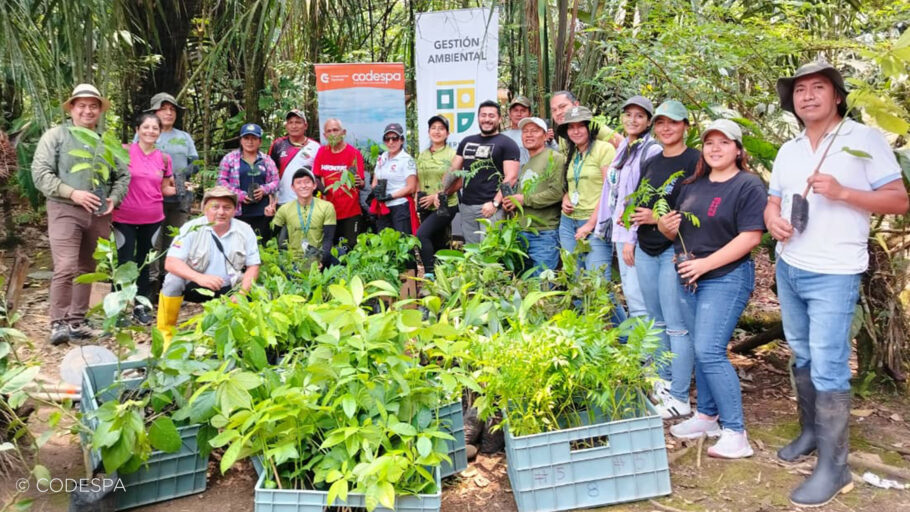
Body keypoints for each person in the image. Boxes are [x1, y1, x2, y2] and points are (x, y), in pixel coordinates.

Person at [765, 62, 908, 507]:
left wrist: (844, 192)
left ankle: (835, 467)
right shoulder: (789, 149)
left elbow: (900, 200)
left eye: (818, 88)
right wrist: (772, 220)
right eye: (800, 90)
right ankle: (810, 433)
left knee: (828, 364)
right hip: (790, 265)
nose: (807, 96)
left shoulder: (863, 140)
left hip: (835, 270)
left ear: (838, 96)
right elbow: (774, 199)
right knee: (803, 354)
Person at [658, 119, 767, 460]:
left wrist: (706, 264)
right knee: (699, 346)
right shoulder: (693, 185)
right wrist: (665, 227)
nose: (715, 148)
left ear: (738, 149)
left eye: (724, 142)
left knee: (709, 351)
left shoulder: (748, 185)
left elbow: (751, 236)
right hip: (690, 277)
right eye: (709, 143)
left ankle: (736, 431)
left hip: (727, 277)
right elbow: (675, 233)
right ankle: (706, 415)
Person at [31, 84, 130, 345]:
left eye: (93, 106)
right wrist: (72, 193)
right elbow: (40, 173)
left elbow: (123, 175)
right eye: (82, 105)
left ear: (99, 110)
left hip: (98, 213)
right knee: (65, 267)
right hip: (65, 209)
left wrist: (114, 198)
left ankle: (77, 321)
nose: (88, 110)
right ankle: (58, 323)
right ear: (72, 108)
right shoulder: (56, 136)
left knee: (89, 267)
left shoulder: (105, 141)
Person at [631, 100, 700, 419]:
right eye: (659, 123)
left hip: (677, 250)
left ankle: (680, 395)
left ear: (686, 125)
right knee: (655, 321)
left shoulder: (696, 161)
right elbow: (643, 203)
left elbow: (694, 210)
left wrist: (656, 220)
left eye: (673, 122)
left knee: (677, 326)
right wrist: (636, 223)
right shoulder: (653, 160)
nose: (665, 128)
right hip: (647, 248)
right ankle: (662, 382)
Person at [156, 186, 260, 346]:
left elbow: (253, 266)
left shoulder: (244, 230)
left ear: (234, 210)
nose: (221, 212)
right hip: (195, 285)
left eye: (227, 207)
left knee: (256, 291)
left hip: (228, 288)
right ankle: (165, 337)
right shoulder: (191, 228)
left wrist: (242, 293)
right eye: (215, 207)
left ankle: (242, 341)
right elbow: (170, 262)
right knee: (172, 281)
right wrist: (200, 278)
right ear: (205, 209)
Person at [595, 96, 661, 320]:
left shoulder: (651, 151)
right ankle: (642, 351)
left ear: (649, 121)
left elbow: (643, 197)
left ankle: (647, 354)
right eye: (629, 115)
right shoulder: (624, 146)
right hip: (619, 231)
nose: (633, 120)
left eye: (640, 116)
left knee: (637, 295)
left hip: (634, 234)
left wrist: (631, 239)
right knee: (632, 293)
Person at [114, 112, 177, 324]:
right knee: (124, 261)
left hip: (153, 217)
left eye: (155, 128)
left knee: (144, 263)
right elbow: (112, 179)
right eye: (146, 127)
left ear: (160, 132)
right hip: (124, 216)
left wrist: (178, 189)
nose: (150, 131)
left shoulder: (164, 158)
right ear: (137, 130)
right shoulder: (123, 152)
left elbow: (166, 187)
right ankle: (120, 308)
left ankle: (140, 307)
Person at [139, 93, 200, 293]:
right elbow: (135, 160)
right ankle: (151, 286)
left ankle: (171, 286)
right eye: (164, 108)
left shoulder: (184, 137)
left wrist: (179, 177)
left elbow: (195, 163)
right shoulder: (146, 133)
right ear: (154, 112)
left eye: (172, 109)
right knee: (153, 242)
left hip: (180, 196)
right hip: (151, 197)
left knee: (176, 240)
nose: (168, 113)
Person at [443, 100, 520, 244]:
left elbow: (512, 177)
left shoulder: (507, 144)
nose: (487, 119)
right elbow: (454, 170)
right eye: (483, 115)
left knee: (489, 253)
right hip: (467, 207)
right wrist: (442, 191)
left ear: (499, 119)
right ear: (478, 117)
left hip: (490, 208)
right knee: (472, 253)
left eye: (491, 116)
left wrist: (495, 204)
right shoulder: (467, 141)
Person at [556, 106, 616, 276]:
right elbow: (572, 185)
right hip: (569, 222)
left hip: (595, 223)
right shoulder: (573, 153)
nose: (576, 131)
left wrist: (590, 225)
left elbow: (610, 190)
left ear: (589, 127)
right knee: (575, 279)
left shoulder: (604, 149)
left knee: (597, 280)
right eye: (571, 127)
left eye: (580, 126)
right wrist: (565, 198)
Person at [502, 117, 566, 275]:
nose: (528, 135)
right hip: (523, 233)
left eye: (534, 131)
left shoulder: (555, 158)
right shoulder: (527, 164)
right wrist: (512, 204)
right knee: (527, 285)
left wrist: (524, 199)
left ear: (545, 136)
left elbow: (557, 193)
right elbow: (525, 196)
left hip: (544, 233)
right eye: (525, 131)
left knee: (542, 286)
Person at [217, 123, 279, 243]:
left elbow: (276, 182)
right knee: (237, 244)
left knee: (261, 243)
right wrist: (239, 195)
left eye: (254, 138)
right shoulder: (229, 159)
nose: (250, 142)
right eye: (246, 138)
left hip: (262, 212)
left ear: (260, 142)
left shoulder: (266, 160)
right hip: (237, 212)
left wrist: (263, 190)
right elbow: (221, 181)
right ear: (241, 140)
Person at [312, 118, 365, 251]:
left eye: (335, 130)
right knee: (330, 249)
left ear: (343, 132)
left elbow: (361, 183)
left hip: (350, 211)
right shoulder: (322, 152)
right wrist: (323, 191)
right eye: (329, 131)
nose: (332, 134)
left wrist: (360, 182)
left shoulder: (354, 153)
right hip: (328, 212)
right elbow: (316, 177)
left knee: (350, 249)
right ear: (324, 135)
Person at [415, 115, 457, 280]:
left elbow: (458, 182)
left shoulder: (452, 154)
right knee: (437, 240)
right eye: (433, 128)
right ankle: (443, 280)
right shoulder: (423, 155)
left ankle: (429, 274)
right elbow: (418, 178)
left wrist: (436, 196)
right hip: (425, 205)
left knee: (422, 235)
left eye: (441, 128)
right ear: (428, 131)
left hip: (446, 204)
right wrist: (417, 198)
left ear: (447, 133)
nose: (437, 131)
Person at [272, 168, 336, 266]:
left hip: (318, 257)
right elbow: (270, 234)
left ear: (314, 185)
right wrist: (268, 217)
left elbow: (328, 239)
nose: (303, 186)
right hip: (293, 260)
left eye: (307, 182)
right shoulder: (285, 209)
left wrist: (321, 260)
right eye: (299, 183)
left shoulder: (327, 207)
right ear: (292, 187)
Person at [370, 122, 419, 235]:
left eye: (395, 138)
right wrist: (375, 190)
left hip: (400, 206)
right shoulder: (382, 157)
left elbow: (411, 187)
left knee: (403, 243)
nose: (391, 142)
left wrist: (391, 196)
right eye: (387, 139)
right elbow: (375, 181)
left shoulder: (406, 159)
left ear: (401, 140)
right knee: (385, 244)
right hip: (383, 206)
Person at [268, 108, 321, 207]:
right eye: (290, 122)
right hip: (283, 201)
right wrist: (271, 200)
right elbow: (269, 174)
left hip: (308, 201)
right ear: (286, 126)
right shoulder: (278, 144)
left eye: (298, 122)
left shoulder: (316, 147)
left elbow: (321, 176)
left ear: (305, 126)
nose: (294, 126)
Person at [548, 90, 622, 148]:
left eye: (562, 106)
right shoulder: (563, 131)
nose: (558, 113)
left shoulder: (590, 125)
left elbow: (624, 146)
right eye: (554, 110)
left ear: (576, 105)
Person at [501, 96, 532, 165]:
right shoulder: (502, 137)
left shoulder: (537, 134)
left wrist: (550, 142)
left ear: (530, 114)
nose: (519, 114)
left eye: (523, 110)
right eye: (515, 110)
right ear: (510, 113)